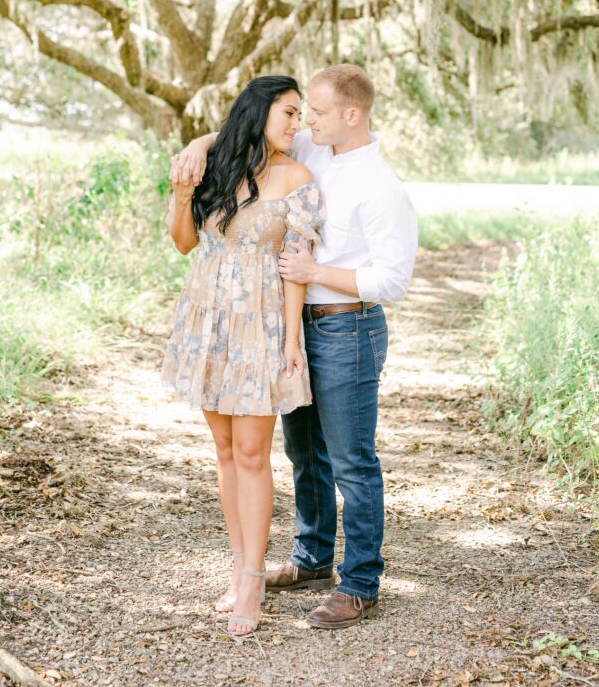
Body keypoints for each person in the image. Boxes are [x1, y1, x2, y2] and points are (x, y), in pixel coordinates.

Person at [174, 64, 417, 629]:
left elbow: (393, 282)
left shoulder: (379, 186)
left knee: (352, 462)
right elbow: (244, 130)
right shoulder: (315, 145)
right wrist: (198, 141)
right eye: (302, 111)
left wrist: (316, 269)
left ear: (349, 116)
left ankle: (360, 584)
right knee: (304, 454)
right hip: (288, 324)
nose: (306, 119)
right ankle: (312, 559)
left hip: (345, 326)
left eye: (318, 111)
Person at [163, 75, 325, 637]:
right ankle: (238, 569)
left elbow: (295, 264)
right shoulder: (216, 167)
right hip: (206, 323)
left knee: (254, 453)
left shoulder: (299, 178)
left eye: (300, 115)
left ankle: (254, 579)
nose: (296, 124)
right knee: (226, 450)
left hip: (259, 325)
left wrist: (289, 341)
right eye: (287, 112)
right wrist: (184, 194)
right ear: (258, 113)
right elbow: (184, 242)